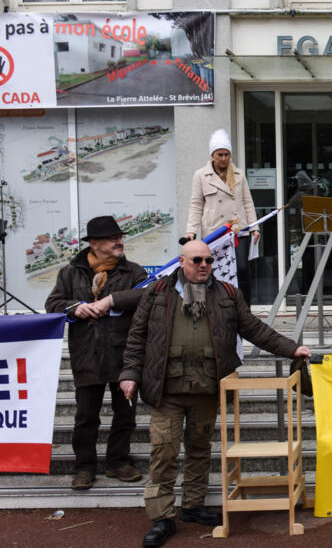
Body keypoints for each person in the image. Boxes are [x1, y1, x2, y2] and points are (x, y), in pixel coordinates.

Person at [119, 240, 311, 547]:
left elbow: (254, 329)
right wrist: (129, 374)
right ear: (182, 261)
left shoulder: (227, 294)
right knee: (163, 452)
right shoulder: (156, 294)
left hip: (208, 388)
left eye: (208, 260)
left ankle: (193, 505)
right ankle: (162, 517)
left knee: (199, 449)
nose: (204, 265)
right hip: (167, 390)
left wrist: (292, 348)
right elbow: (137, 336)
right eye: (197, 260)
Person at [44, 216, 147, 490]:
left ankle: (118, 463)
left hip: (124, 355)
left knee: (125, 413)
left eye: (119, 237)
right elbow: (52, 304)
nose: (119, 241)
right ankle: (84, 467)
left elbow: (149, 296)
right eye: (113, 238)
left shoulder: (133, 272)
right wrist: (74, 308)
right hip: (86, 354)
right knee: (85, 416)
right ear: (95, 243)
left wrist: (112, 300)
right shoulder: (70, 272)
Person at [185, 129, 259, 304]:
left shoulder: (239, 175)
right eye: (220, 154)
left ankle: (244, 309)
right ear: (213, 155)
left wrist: (255, 227)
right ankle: (216, 308)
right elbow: (196, 204)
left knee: (241, 269)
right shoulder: (201, 176)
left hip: (238, 230)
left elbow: (248, 202)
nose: (224, 158)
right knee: (215, 271)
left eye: (227, 154)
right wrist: (191, 231)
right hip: (214, 232)